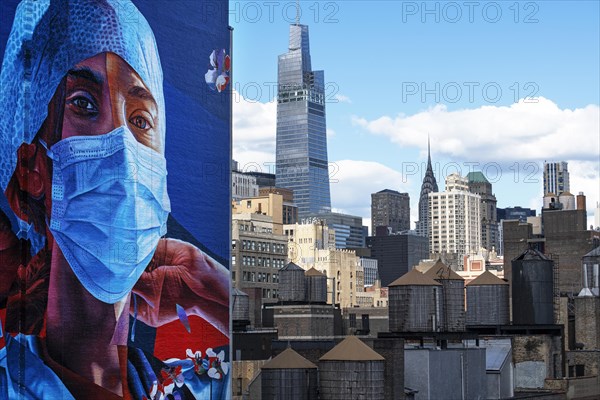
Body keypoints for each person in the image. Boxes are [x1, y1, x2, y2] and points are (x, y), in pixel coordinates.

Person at [0, 1, 229, 399]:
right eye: (84, 104)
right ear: (32, 168)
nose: (123, 148)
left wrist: (210, 286)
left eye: (141, 120)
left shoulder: (194, 386)